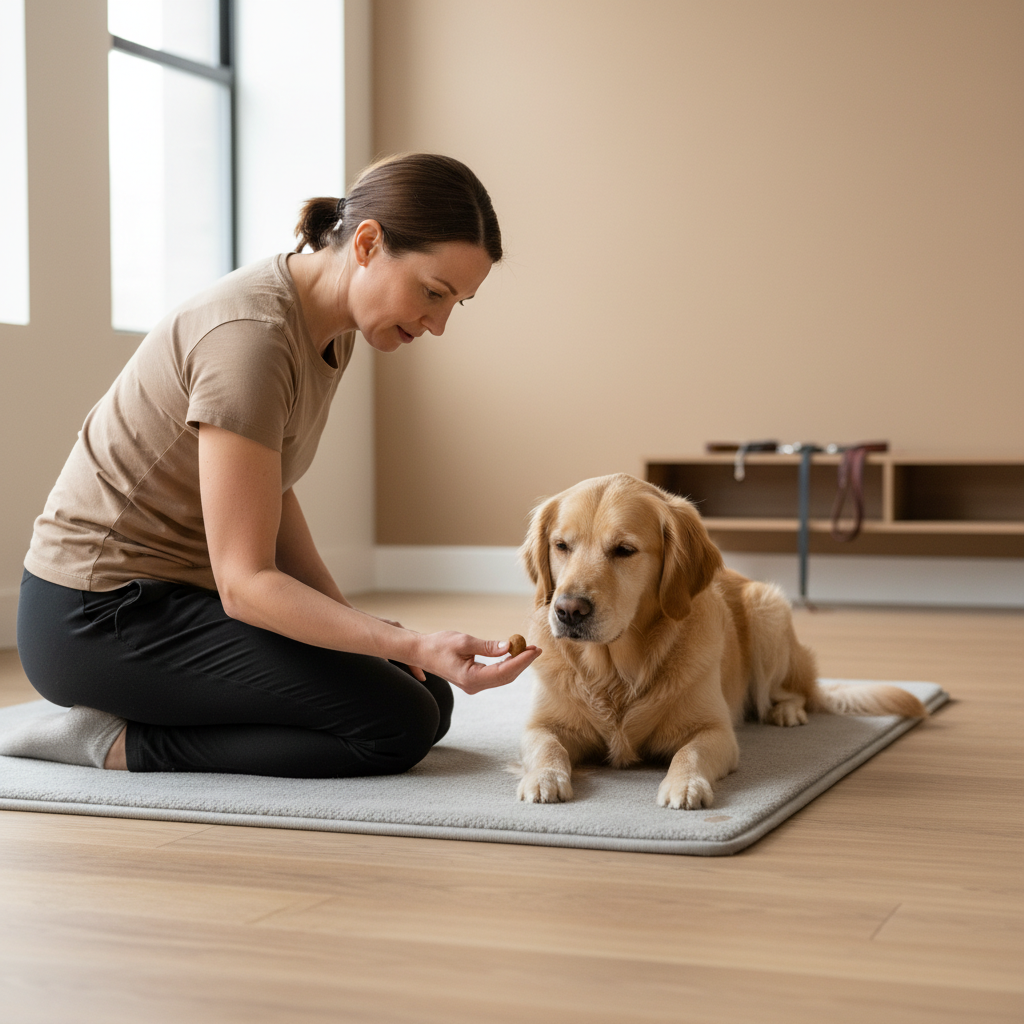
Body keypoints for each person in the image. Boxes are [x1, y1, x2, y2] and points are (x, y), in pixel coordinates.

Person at [1, 153, 539, 777]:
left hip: (176, 600)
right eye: (432, 292)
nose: (439, 324)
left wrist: (366, 632)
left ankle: (159, 713)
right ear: (368, 243)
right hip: (97, 618)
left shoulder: (330, 325)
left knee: (428, 695)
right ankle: (107, 742)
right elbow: (247, 581)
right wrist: (405, 640)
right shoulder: (253, 340)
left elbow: (273, 494)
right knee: (397, 725)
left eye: (456, 304)